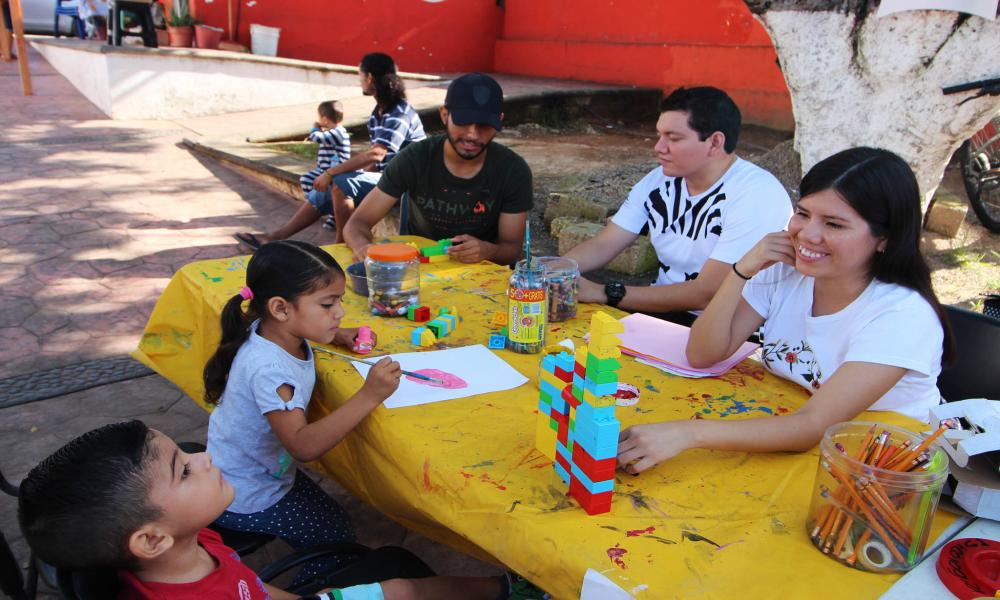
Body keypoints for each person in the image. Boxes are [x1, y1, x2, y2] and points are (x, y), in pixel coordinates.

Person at [616, 147, 954, 475]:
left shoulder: (902, 316)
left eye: (834, 224)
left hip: (876, 465)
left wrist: (688, 434)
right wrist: (741, 271)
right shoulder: (786, 271)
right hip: (791, 432)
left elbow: (812, 426)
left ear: (885, 239)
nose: (807, 234)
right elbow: (703, 353)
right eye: (803, 213)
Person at [17, 420, 513, 599]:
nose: (204, 456)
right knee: (400, 585)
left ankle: (505, 588)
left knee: (401, 584)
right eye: (184, 469)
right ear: (150, 540)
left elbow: (248, 585)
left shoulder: (192, 540)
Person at [201, 240, 402, 587]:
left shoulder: (271, 329)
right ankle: (307, 592)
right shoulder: (269, 370)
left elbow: (305, 329)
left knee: (334, 520)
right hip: (244, 493)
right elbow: (303, 446)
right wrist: (370, 395)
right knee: (335, 538)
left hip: (253, 470)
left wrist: (337, 334)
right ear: (280, 308)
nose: (339, 312)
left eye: (338, 301)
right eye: (328, 304)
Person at [562, 86, 791, 325]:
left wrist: (604, 292)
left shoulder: (756, 195)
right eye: (660, 136)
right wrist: (556, 272)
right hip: (660, 313)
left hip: (728, 329)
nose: (659, 147)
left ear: (715, 142)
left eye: (673, 138)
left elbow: (705, 293)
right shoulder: (658, 180)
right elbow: (604, 244)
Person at [236, 53, 425, 247]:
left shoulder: (399, 113)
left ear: (369, 77)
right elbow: (378, 165)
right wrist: (357, 183)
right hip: (388, 178)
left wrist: (331, 172)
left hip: (406, 186)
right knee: (333, 186)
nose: (360, 81)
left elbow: (377, 154)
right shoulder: (379, 113)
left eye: (360, 76)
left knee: (339, 182)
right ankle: (274, 237)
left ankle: (341, 246)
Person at [344, 73, 533, 266]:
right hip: (420, 267)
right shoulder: (415, 158)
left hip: (482, 274)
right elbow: (357, 223)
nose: (472, 135)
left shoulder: (513, 171)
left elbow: (511, 249)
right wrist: (362, 247)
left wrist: (489, 250)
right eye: (463, 121)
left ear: (499, 120)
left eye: (484, 125)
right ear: (444, 115)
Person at [299, 100, 351, 224]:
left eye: (319, 117)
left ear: (325, 119)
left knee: (306, 179)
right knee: (309, 181)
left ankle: (317, 206)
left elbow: (317, 138)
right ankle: (324, 208)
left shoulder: (338, 132)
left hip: (335, 171)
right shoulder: (333, 132)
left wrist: (315, 128)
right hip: (325, 170)